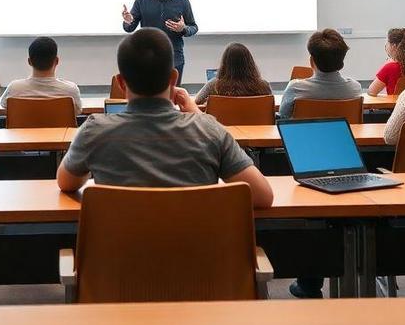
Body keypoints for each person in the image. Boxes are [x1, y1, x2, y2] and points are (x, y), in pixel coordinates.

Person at [57, 28, 272, 209]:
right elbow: (263, 196)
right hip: (196, 259)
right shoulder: (209, 131)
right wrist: (198, 116)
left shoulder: (94, 131)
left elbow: (66, 183)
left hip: (122, 259)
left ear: (121, 83)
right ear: (173, 78)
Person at [121, 0, 198, 83]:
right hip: (147, 57)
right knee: (148, 96)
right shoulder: (141, 0)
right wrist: (128, 21)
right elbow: (129, 28)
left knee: (172, 96)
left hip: (174, 58)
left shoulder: (182, 1)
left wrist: (183, 29)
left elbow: (193, 27)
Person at [277, 29, 363, 119]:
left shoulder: (295, 88)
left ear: (311, 61)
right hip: (342, 133)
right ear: (341, 61)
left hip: (305, 133)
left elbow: (283, 118)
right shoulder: (355, 88)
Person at [0, 36, 82, 117]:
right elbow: (78, 111)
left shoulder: (14, 88)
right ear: (56, 61)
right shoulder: (70, 90)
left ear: (29, 61)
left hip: (24, 131)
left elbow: (4, 106)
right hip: (59, 131)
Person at [194, 43, 272, 105]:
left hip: (221, 125)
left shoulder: (214, 85)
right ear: (250, 63)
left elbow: (196, 101)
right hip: (257, 125)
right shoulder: (264, 86)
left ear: (225, 64)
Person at [368, 28, 405, 96]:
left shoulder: (390, 67)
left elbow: (371, 92)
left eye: (387, 42)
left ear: (394, 46)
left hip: (394, 106)